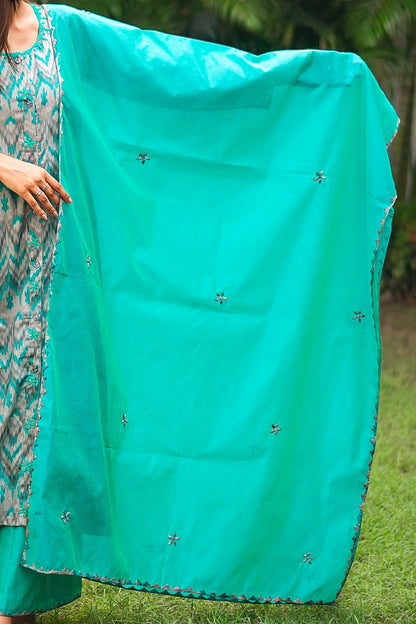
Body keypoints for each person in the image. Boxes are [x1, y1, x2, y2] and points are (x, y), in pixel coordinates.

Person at [0, 0, 82, 620]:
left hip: (38, 261)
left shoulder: (61, 30)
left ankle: (13, 597)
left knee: (26, 415)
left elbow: (162, 71)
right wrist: (5, 165)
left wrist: (305, 84)